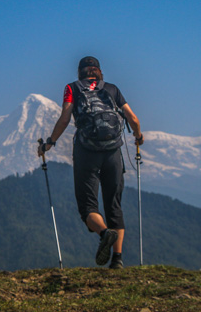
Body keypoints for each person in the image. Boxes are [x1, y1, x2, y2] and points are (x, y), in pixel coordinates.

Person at [38, 56, 143, 269]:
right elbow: (133, 118)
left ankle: (105, 233)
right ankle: (118, 259)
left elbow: (66, 118)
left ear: (80, 72)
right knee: (114, 205)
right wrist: (138, 136)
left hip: (86, 153)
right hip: (113, 153)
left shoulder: (72, 88)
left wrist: (50, 143)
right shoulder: (112, 89)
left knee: (88, 206)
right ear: (98, 71)